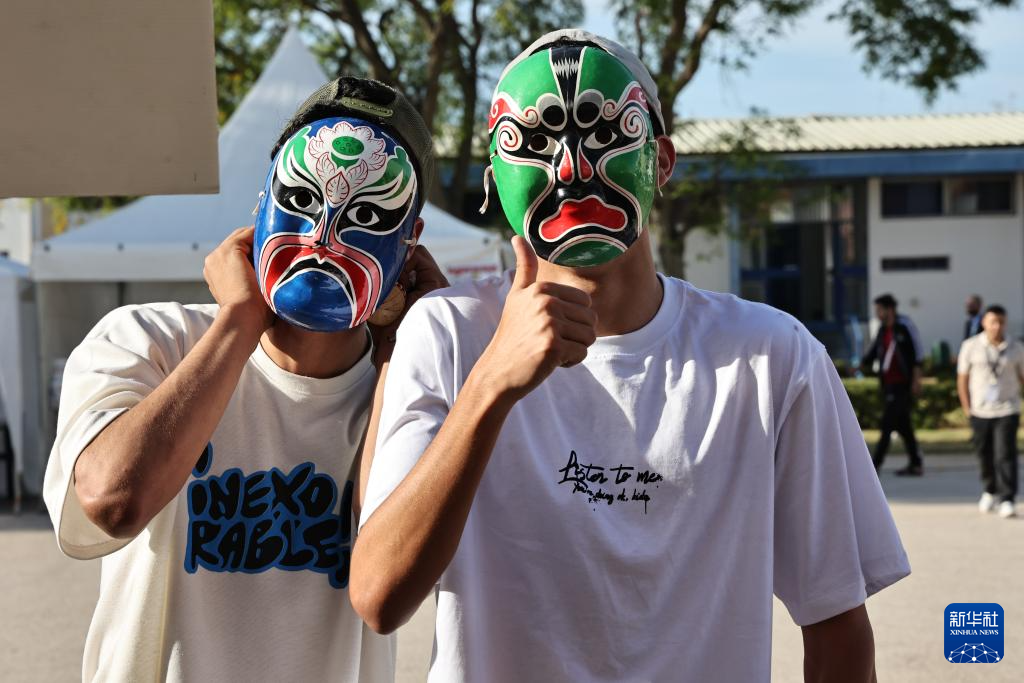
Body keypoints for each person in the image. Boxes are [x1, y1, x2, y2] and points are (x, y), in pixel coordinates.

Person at [351, 30, 910, 682]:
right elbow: (379, 595)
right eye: (532, 142)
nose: (569, 169)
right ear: (494, 181)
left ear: (661, 161)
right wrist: (490, 385)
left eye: (602, 131)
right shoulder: (448, 332)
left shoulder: (770, 357)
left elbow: (836, 621)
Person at [42, 76, 447, 681]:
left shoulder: (413, 390)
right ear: (260, 206)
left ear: (409, 245)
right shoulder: (148, 340)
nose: (321, 237)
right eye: (301, 199)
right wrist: (239, 319)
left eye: (366, 216)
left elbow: (389, 574)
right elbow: (113, 501)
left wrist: (406, 350)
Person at [958, 304, 1023, 518]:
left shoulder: (1016, 348)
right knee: (984, 454)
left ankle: (1007, 498)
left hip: (1007, 409)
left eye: (1001, 322)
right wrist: (967, 407)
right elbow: (962, 379)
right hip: (980, 410)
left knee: (1005, 454)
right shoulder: (971, 346)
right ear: (984, 323)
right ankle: (990, 490)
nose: (997, 326)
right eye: (993, 322)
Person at [862, 293, 924, 475]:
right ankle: (916, 463)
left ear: (889, 309)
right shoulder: (883, 329)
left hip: (902, 384)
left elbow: (918, 353)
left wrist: (916, 379)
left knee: (887, 424)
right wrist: (858, 365)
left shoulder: (904, 325)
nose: (877, 314)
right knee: (904, 426)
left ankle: (874, 465)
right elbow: (874, 351)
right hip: (888, 383)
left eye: (879, 310)